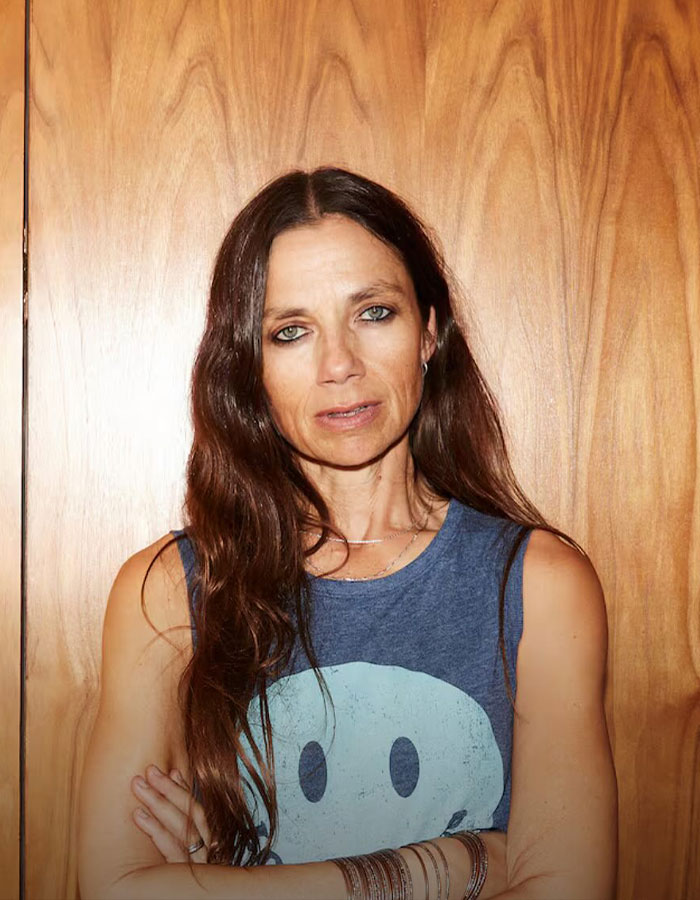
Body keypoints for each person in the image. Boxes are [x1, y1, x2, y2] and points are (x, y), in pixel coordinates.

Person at [77, 166, 618, 899]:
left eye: (374, 314)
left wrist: (214, 884)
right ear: (250, 367)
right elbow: (115, 891)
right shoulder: (168, 592)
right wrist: (449, 865)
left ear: (429, 331)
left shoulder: (539, 586)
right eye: (291, 331)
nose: (339, 365)